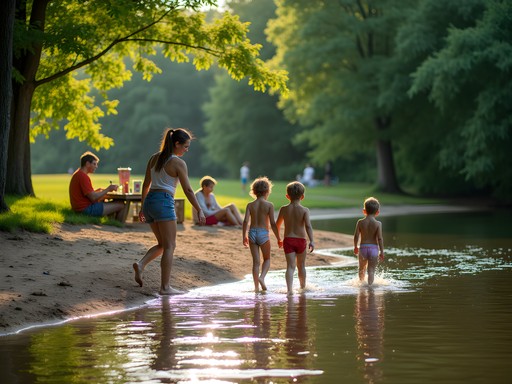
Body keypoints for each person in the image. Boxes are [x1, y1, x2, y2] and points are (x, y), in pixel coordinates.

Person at [132, 128, 206, 295]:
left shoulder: (153, 158)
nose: (187, 150)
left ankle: (141, 264)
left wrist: (143, 208)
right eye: (185, 146)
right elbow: (188, 189)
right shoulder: (178, 163)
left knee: (163, 244)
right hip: (163, 202)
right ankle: (165, 288)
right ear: (176, 144)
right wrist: (199, 209)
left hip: (150, 202)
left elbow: (145, 185)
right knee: (170, 246)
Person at [242, 177, 281, 292]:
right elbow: (273, 223)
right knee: (267, 259)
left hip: (252, 233)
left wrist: (243, 236)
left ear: (253, 191)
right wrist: (279, 238)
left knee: (256, 262)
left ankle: (256, 288)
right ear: (267, 191)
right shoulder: (269, 205)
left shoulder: (250, 205)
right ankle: (262, 277)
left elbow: (245, 221)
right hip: (263, 233)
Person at [276, 181, 315, 295]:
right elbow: (308, 226)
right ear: (302, 196)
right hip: (301, 241)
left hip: (288, 240)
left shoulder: (284, 209)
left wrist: (279, 238)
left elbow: (277, 224)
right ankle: (303, 288)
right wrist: (312, 240)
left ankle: (289, 290)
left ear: (287, 196)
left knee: (290, 267)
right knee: (301, 266)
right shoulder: (304, 210)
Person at [69, 151, 125, 220]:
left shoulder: (78, 174)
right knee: (121, 205)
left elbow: (88, 194)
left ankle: (111, 222)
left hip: (79, 208)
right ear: (87, 164)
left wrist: (98, 191)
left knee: (113, 202)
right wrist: (108, 189)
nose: (96, 166)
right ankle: (119, 227)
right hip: (85, 209)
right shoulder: (83, 176)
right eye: (94, 164)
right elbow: (93, 197)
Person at [353, 197, 385, 285]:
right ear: (377, 212)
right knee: (371, 271)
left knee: (361, 269)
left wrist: (355, 246)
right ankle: (370, 288)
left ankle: (361, 285)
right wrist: (382, 251)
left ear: (364, 211)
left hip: (363, 248)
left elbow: (356, 236)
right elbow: (380, 238)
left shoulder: (360, 222)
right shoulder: (378, 224)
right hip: (374, 249)